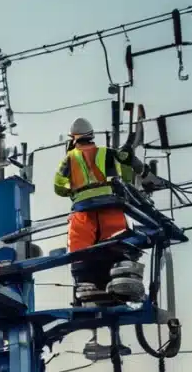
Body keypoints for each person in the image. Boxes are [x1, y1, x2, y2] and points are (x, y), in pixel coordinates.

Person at [53, 117, 137, 300]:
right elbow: (127, 174)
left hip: (83, 211)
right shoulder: (108, 153)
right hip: (110, 208)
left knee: (81, 249)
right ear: (91, 135)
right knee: (115, 245)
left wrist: (73, 192)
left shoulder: (69, 159)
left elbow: (58, 187)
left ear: (73, 138)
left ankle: (87, 287)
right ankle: (117, 285)